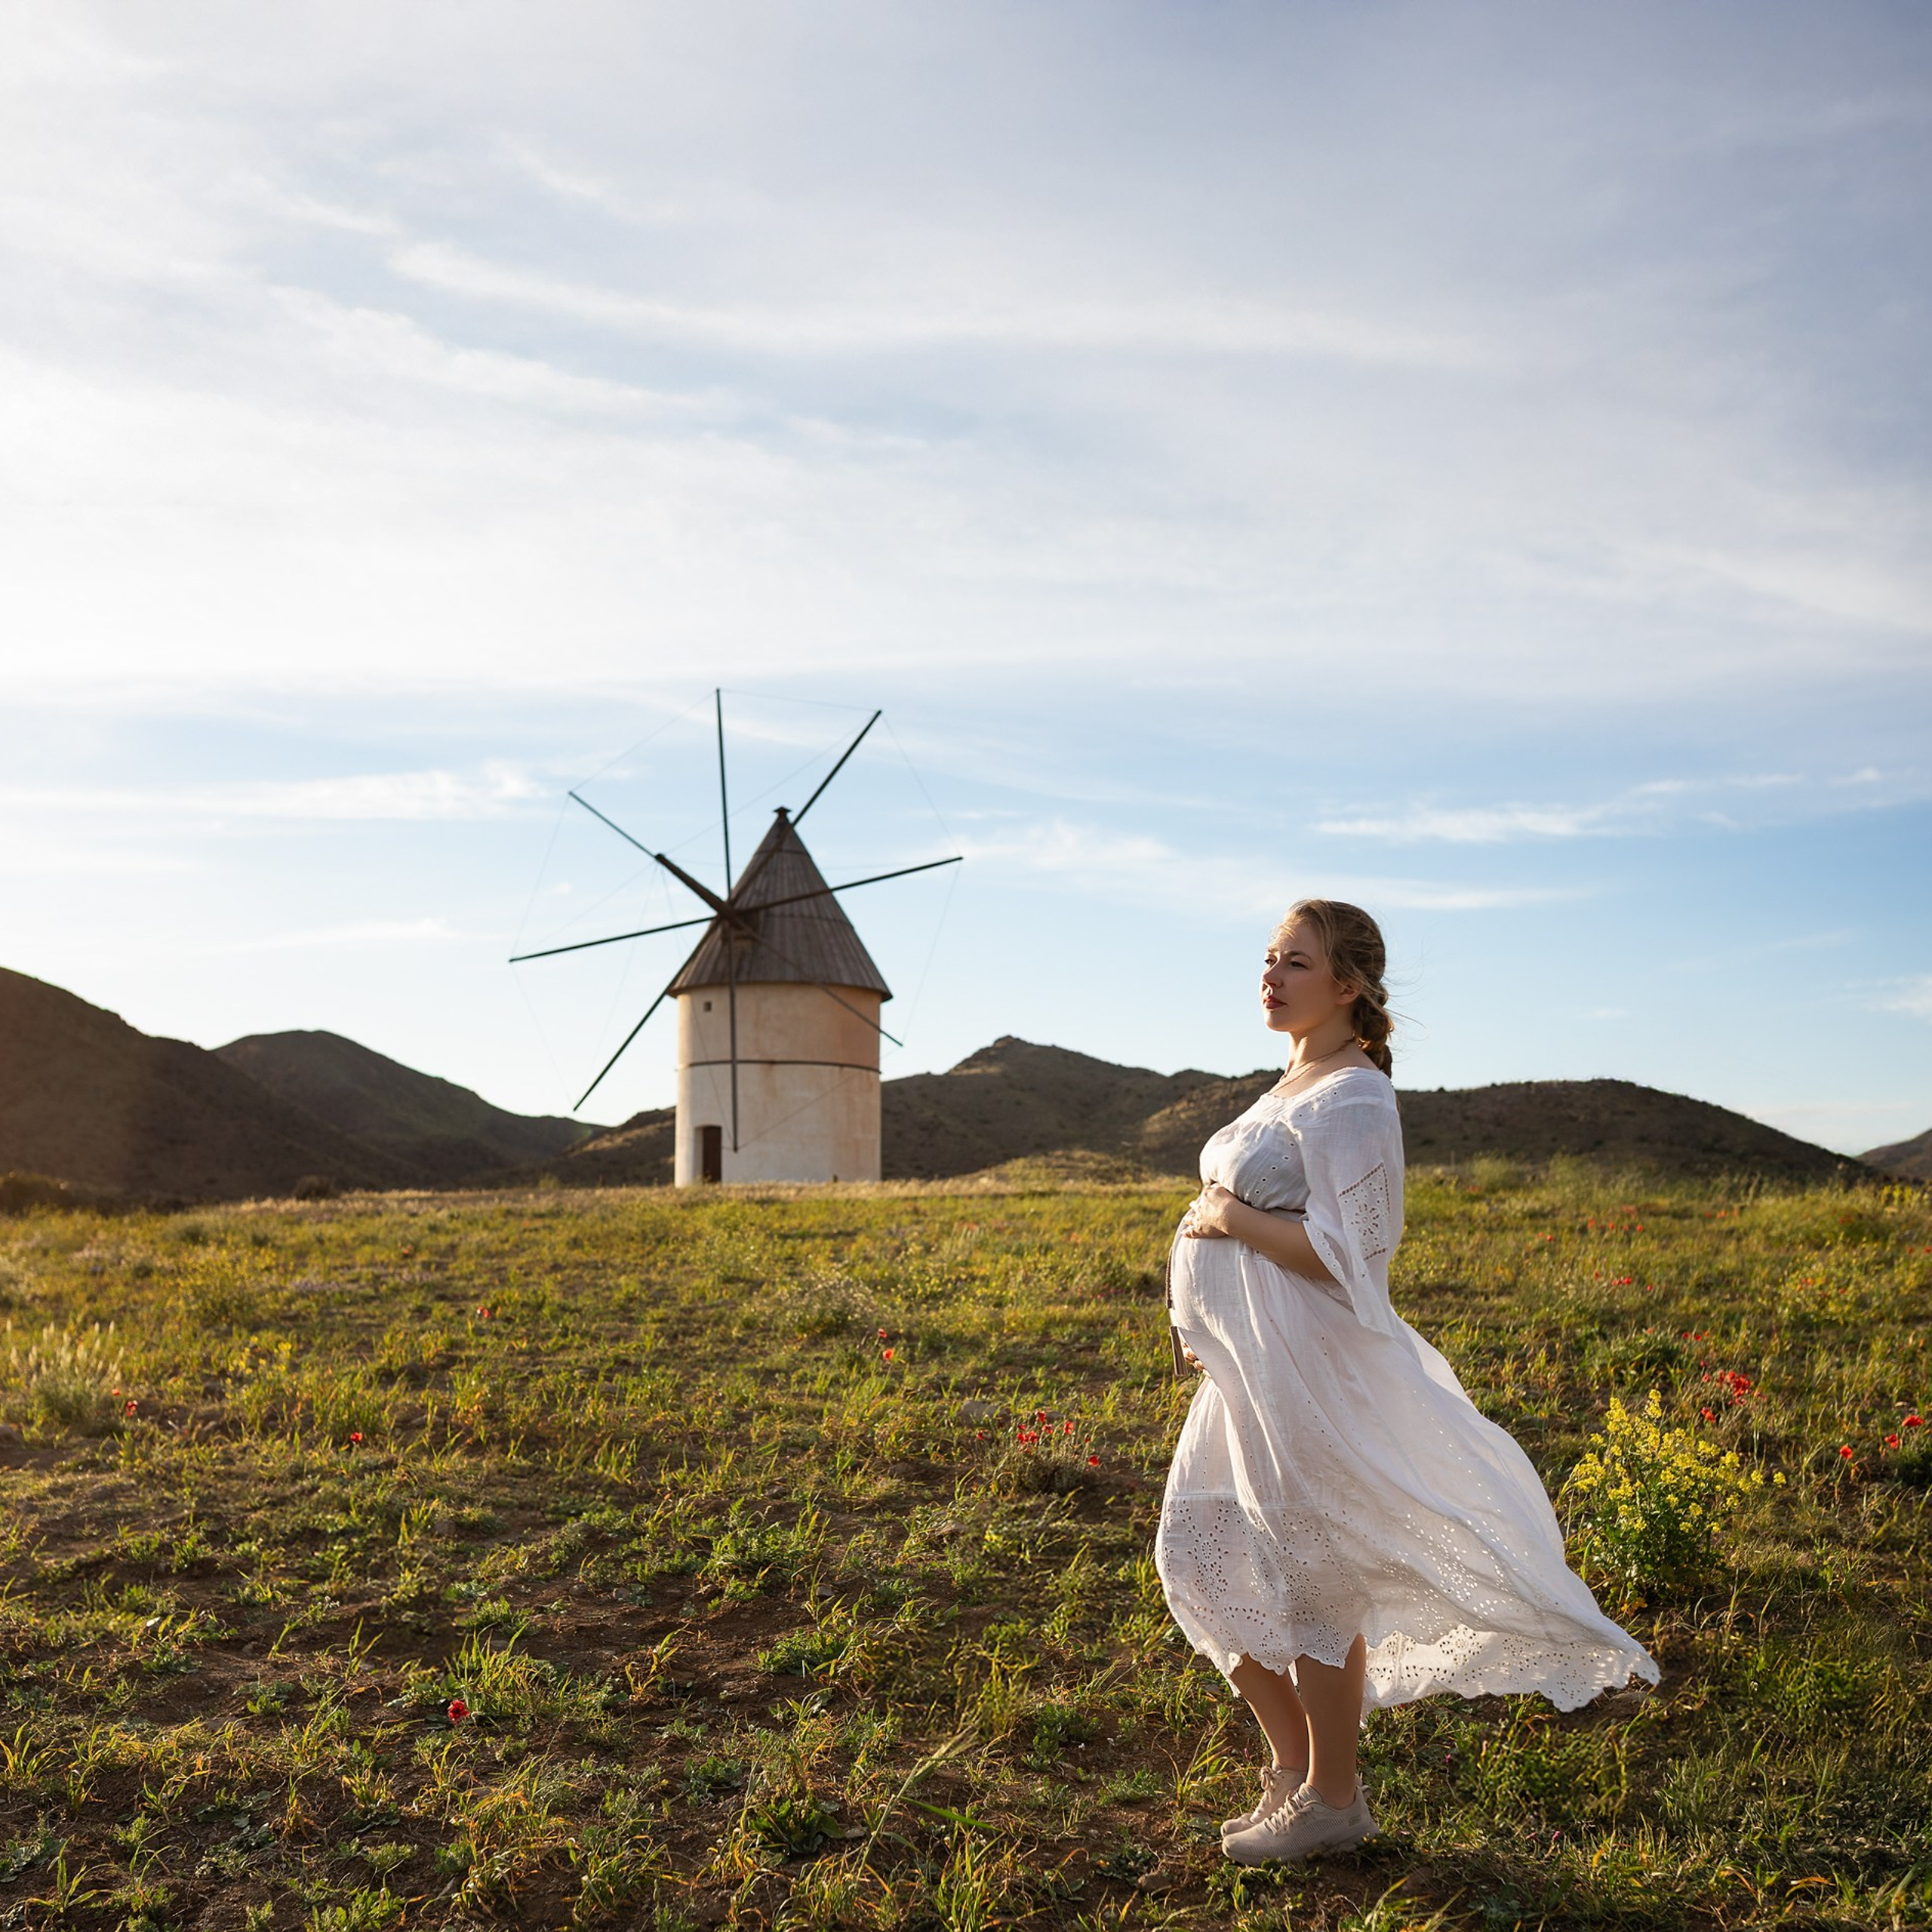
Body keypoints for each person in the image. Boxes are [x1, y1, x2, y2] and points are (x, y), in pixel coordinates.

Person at [1155, 900, 1658, 1866]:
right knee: (1195, 1551)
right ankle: (1295, 1770)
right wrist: (1208, 1315)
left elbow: (1353, 1253)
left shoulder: (1353, 1098)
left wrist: (1225, 1217)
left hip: (1303, 1374)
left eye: (1293, 963)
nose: (1269, 975)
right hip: (1246, 1374)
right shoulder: (1290, 1083)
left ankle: (1331, 1798)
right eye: (1267, 958)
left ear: (1347, 986)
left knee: (1310, 1580)